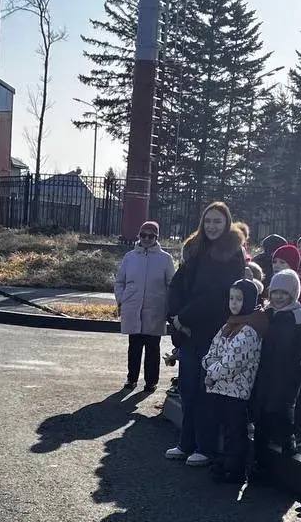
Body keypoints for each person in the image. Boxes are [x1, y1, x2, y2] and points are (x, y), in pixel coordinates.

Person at [165, 201, 248, 466]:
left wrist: (184, 317)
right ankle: (186, 442)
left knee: (207, 390)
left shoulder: (232, 253)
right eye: (208, 221)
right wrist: (175, 317)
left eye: (218, 221)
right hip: (187, 331)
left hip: (213, 331)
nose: (212, 226)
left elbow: (218, 294)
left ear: (226, 224)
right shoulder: (194, 249)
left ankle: (205, 446)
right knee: (188, 389)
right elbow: (177, 285)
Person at [250, 269, 301, 480]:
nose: (278, 297)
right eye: (275, 292)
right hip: (265, 370)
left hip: (288, 373)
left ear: (293, 294)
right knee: (261, 414)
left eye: (283, 293)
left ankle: (288, 450)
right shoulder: (267, 314)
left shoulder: (299, 317)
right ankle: (260, 464)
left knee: (282, 412)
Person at [201, 279, 265, 483]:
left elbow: (232, 362)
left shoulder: (249, 329)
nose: (234, 303)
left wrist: (211, 373)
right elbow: (211, 352)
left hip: (236, 390)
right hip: (221, 388)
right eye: (231, 298)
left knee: (235, 431)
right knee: (223, 428)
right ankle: (222, 463)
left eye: (239, 299)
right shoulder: (229, 324)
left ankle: (234, 469)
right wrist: (210, 366)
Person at [114, 220, 175, 392]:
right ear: (139, 236)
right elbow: (120, 282)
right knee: (134, 347)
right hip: (133, 308)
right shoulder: (130, 257)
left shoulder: (165, 259)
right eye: (143, 235)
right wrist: (122, 299)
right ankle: (131, 379)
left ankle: (151, 382)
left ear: (157, 237)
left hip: (155, 310)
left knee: (152, 349)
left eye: (151, 236)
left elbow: (172, 284)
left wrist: (168, 306)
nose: (146, 239)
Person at [271, 244, 301, 318]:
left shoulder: (300, 287)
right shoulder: (274, 282)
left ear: (292, 265)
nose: (276, 265)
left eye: (282, 262)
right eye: (274, 262)